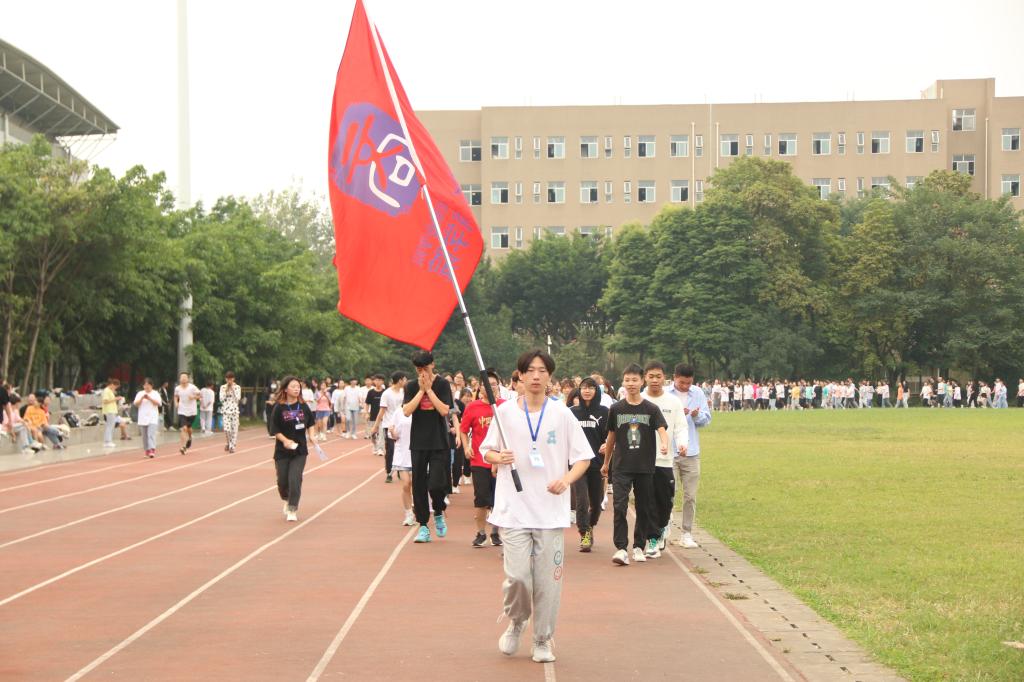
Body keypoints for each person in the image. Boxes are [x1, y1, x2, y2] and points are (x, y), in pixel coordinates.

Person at [481, 350, 593, 664]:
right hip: (513, 509)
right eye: (529, 370)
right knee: (518, 577)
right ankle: (517, 620)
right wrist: (498, 457)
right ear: (519, 376)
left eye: (542, 370)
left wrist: (566, 480)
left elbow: (583, 457)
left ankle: (542, 639)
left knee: (548, 583)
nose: (535, 376)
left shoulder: (562, 414)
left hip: (550, 511)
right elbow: (486, 450)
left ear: (549, 376)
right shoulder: (504, 413)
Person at [602, 364, 668, 565]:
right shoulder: (616, 409)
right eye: (627, 380)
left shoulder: (651, 409)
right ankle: (621, 548)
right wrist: (606, 463)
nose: (631, 384)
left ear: (642, 381)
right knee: (619, 506)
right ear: (623, 382)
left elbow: (661, 429)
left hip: (644, 466)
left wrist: (664, 444)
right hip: (621, 466)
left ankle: (639, 546)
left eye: (634, 380)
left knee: (643, 507)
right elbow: (611, 437)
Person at [403, 351, 454, 543]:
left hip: (439, 441)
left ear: (432, 365)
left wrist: (429, 390)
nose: (422, 372)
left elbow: (444, 410)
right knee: (419, 484)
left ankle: (439, 511)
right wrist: (421, 391)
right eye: (418, 369)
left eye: (425, 368)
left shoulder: (442, 384)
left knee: (436, 484)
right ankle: (423, 525)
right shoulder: (410, 386)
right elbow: (407, 411)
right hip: (418, 441)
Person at [640, 361, 689, 554]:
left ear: (664, 378)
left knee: (665, 501)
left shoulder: (673, 402)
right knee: (648, 501)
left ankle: (662, 527)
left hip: (665, 460)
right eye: (651, 376)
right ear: (645, 377)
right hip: (643, 461)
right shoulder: (638, 399)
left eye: (658, 376)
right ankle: (652, 539)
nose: (654, 380)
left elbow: (681, 427)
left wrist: (682, 443)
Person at [666, 365, 712, 549]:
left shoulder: (698, 393)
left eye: (688, 383)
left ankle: (687, 533)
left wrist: (696, 415)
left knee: (690, 496)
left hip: (691, 451)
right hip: (669, 450)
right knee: (668, 492)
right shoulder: (666, 394)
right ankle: (664, 526)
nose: (685, 386)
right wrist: (677, 415)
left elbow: (707, 419)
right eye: (681, 382)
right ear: (674, 378)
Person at [460, 370, 505, 548]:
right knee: (481, 499)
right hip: (479, 460)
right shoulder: (473, 407)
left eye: (493, 384)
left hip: (500, 460)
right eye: (487, 384)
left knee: (499, 499)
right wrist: (466, 446)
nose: (490, 387)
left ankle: (495, 532)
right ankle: (480, 533)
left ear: (498, 386)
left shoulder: (504, 406)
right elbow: (464, 430)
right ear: (480, 387)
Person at [569, 377, 609, 552]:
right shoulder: (571, 412)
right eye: (584, 387)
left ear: (596, 390)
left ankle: (590, 526)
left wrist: (607, 444)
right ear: (579, 390)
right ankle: (584, 534)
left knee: (597, 503)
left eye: (591, 387)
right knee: (582, 500)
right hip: (577, 463)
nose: (587, 390)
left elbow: (611, 435)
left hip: (596, 463)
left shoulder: (604, 412)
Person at [270, 376, 316, 522]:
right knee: (282, 481)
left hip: (299, 450)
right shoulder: (279, 407)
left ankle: (292, 508)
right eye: (293, 386)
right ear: (285, 389)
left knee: (295, 479)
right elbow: (274, 429)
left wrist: (312, 436)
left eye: (298, 387)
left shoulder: (303, 406)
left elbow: (311, 423)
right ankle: (286, 498)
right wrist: (285, 441)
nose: (297, 389)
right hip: (282, 451)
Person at [372, 371, 407, 483]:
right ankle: (389, 472)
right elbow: (382, 411)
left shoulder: (404, 392)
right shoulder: (386, 394)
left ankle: (400, 469)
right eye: (404, 379)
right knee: (391, 449)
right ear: (400, 380)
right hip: (389, 425)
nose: (406, 381)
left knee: (403, 448)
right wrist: (375, 426)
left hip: (402, 425)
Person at [390, 409, 416, 526]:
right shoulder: (398, 412)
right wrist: (392, 433)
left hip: (417, 452)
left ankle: (417, 506)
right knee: (406, 484)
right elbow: (394, 435)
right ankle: (409, 514)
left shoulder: (419, 410)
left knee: (417, 485)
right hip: (402, 453)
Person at [134, 378, 163, 458]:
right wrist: (142, 398)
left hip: (152, 417)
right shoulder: (140, 393)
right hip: (142, 417)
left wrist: (149, 398)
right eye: (145, 385)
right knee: (144, 436)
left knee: (151, 434)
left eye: (148, 385)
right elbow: (136, 404)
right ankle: (146, 450)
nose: (146, 386)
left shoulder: (155, 393)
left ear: (151, 385)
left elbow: (158, 403)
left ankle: (152, 449)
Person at [174, 372, 200, 455]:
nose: (183, 379)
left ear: (188, 379)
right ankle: (183, 446)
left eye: (185, 377)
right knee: (183, 428)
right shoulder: (177, 388)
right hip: (182, 411)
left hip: (192, 411)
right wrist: (176, 403)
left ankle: (190, 438)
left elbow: (200, 395)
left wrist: (193, 397)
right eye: (182, 377)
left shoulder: (193, 387)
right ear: (179, 379)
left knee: (189, 429)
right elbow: (176, 396)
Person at [220, 372, 242, 453]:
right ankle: (229, 443)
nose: (229, 380)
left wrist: (232, 389)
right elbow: (221, 399)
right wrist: (226, 390)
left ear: (233, 379)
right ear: (226, 379)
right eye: (227, 379)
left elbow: (238, 398)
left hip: (235, 411)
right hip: (225, 411)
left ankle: (232, 446)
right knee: (227, 429)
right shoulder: (223, 387)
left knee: (234, 430)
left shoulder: (237, 387)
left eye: (231, 378)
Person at [365, 374, 385, 455]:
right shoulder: (370, 392)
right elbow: (367, 403)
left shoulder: (385, 392)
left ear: (383, 381)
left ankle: (380, 449)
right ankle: (375, 446)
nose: (378, 382)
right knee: (373, 434)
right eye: (376, 380)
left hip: (383, 417)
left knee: (381, 433)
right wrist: (366, 413)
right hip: (373, 416)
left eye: (380, 380)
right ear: (374, 381)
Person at [101, 379, 121, 448]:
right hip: (109, 410)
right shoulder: (106, 390)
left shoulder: (110, 391)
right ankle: (107, 441)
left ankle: (108, 441)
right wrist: (116, 399)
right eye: (115, 386)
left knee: (111, 426)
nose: (115, 388)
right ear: (112, 384)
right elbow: (105, 401)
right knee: (110, 426)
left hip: (112, 410)